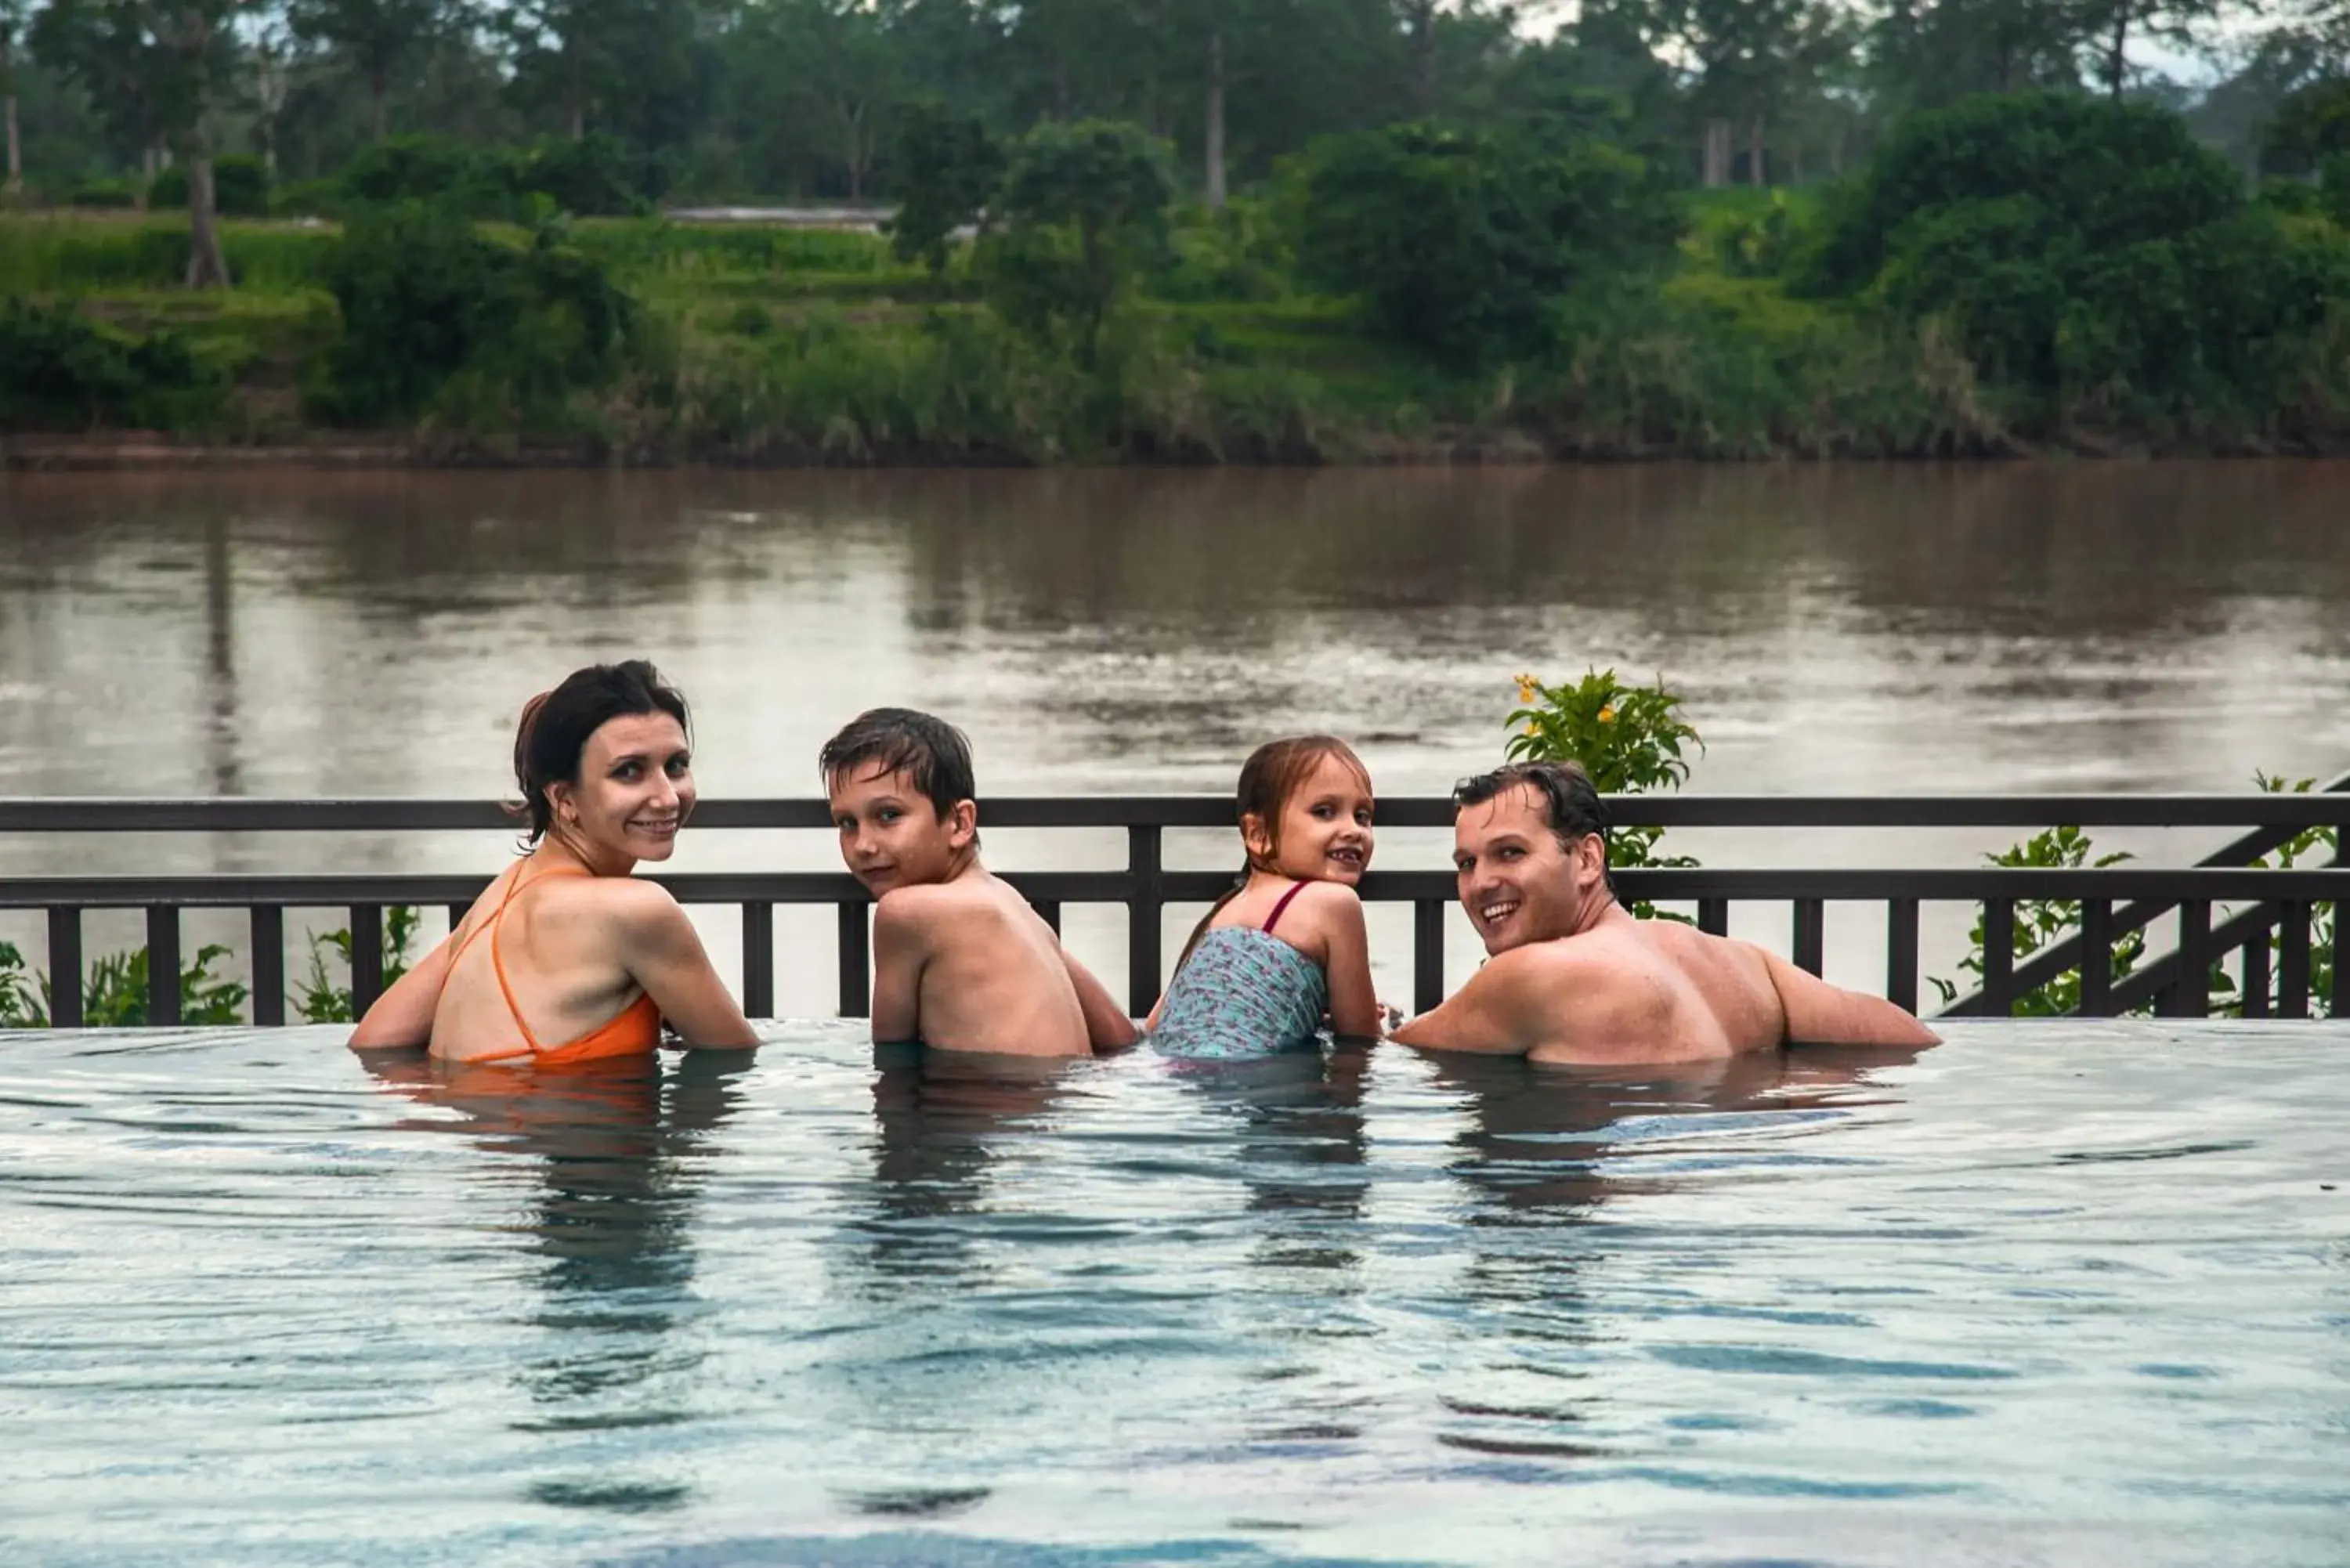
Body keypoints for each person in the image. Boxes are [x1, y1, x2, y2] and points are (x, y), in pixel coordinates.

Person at [1392, 760, 1939, 1064]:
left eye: (1510, 853)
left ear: (1587, 858)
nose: (1481, 883)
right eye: (1466, 863)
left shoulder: (1528, 977)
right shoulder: (1739, 963)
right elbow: (1907, 1037)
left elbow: (1393, 1064)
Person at [349, 659, 761, 1060]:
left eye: (676, 766)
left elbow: (376, 1039)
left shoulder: (501, 897)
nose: (667, 797)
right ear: (563, 799)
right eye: (629, 771)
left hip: (484, 1125)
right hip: (562, 1125)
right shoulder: (639, 911)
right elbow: (738, 1064)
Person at [822, 707, 1135, 1057]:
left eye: (889, 815)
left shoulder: (904, 913)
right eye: (847, 823)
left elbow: (892, 1061)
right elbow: (1121, 1036)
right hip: (1069, 1097)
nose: (864, 845)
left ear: (960, 823)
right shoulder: (1012, 905)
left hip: (994, 1101)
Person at [1147, 735, 1385, 1058]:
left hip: (1176, 1080)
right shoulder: (1336, 904)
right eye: (1325, 812)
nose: (1353, 830)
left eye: (1363, 816)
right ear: (1258, 835)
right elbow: (1361, 1039)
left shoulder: (1223, 911)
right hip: (1254, 1087)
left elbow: (1154, 1025)